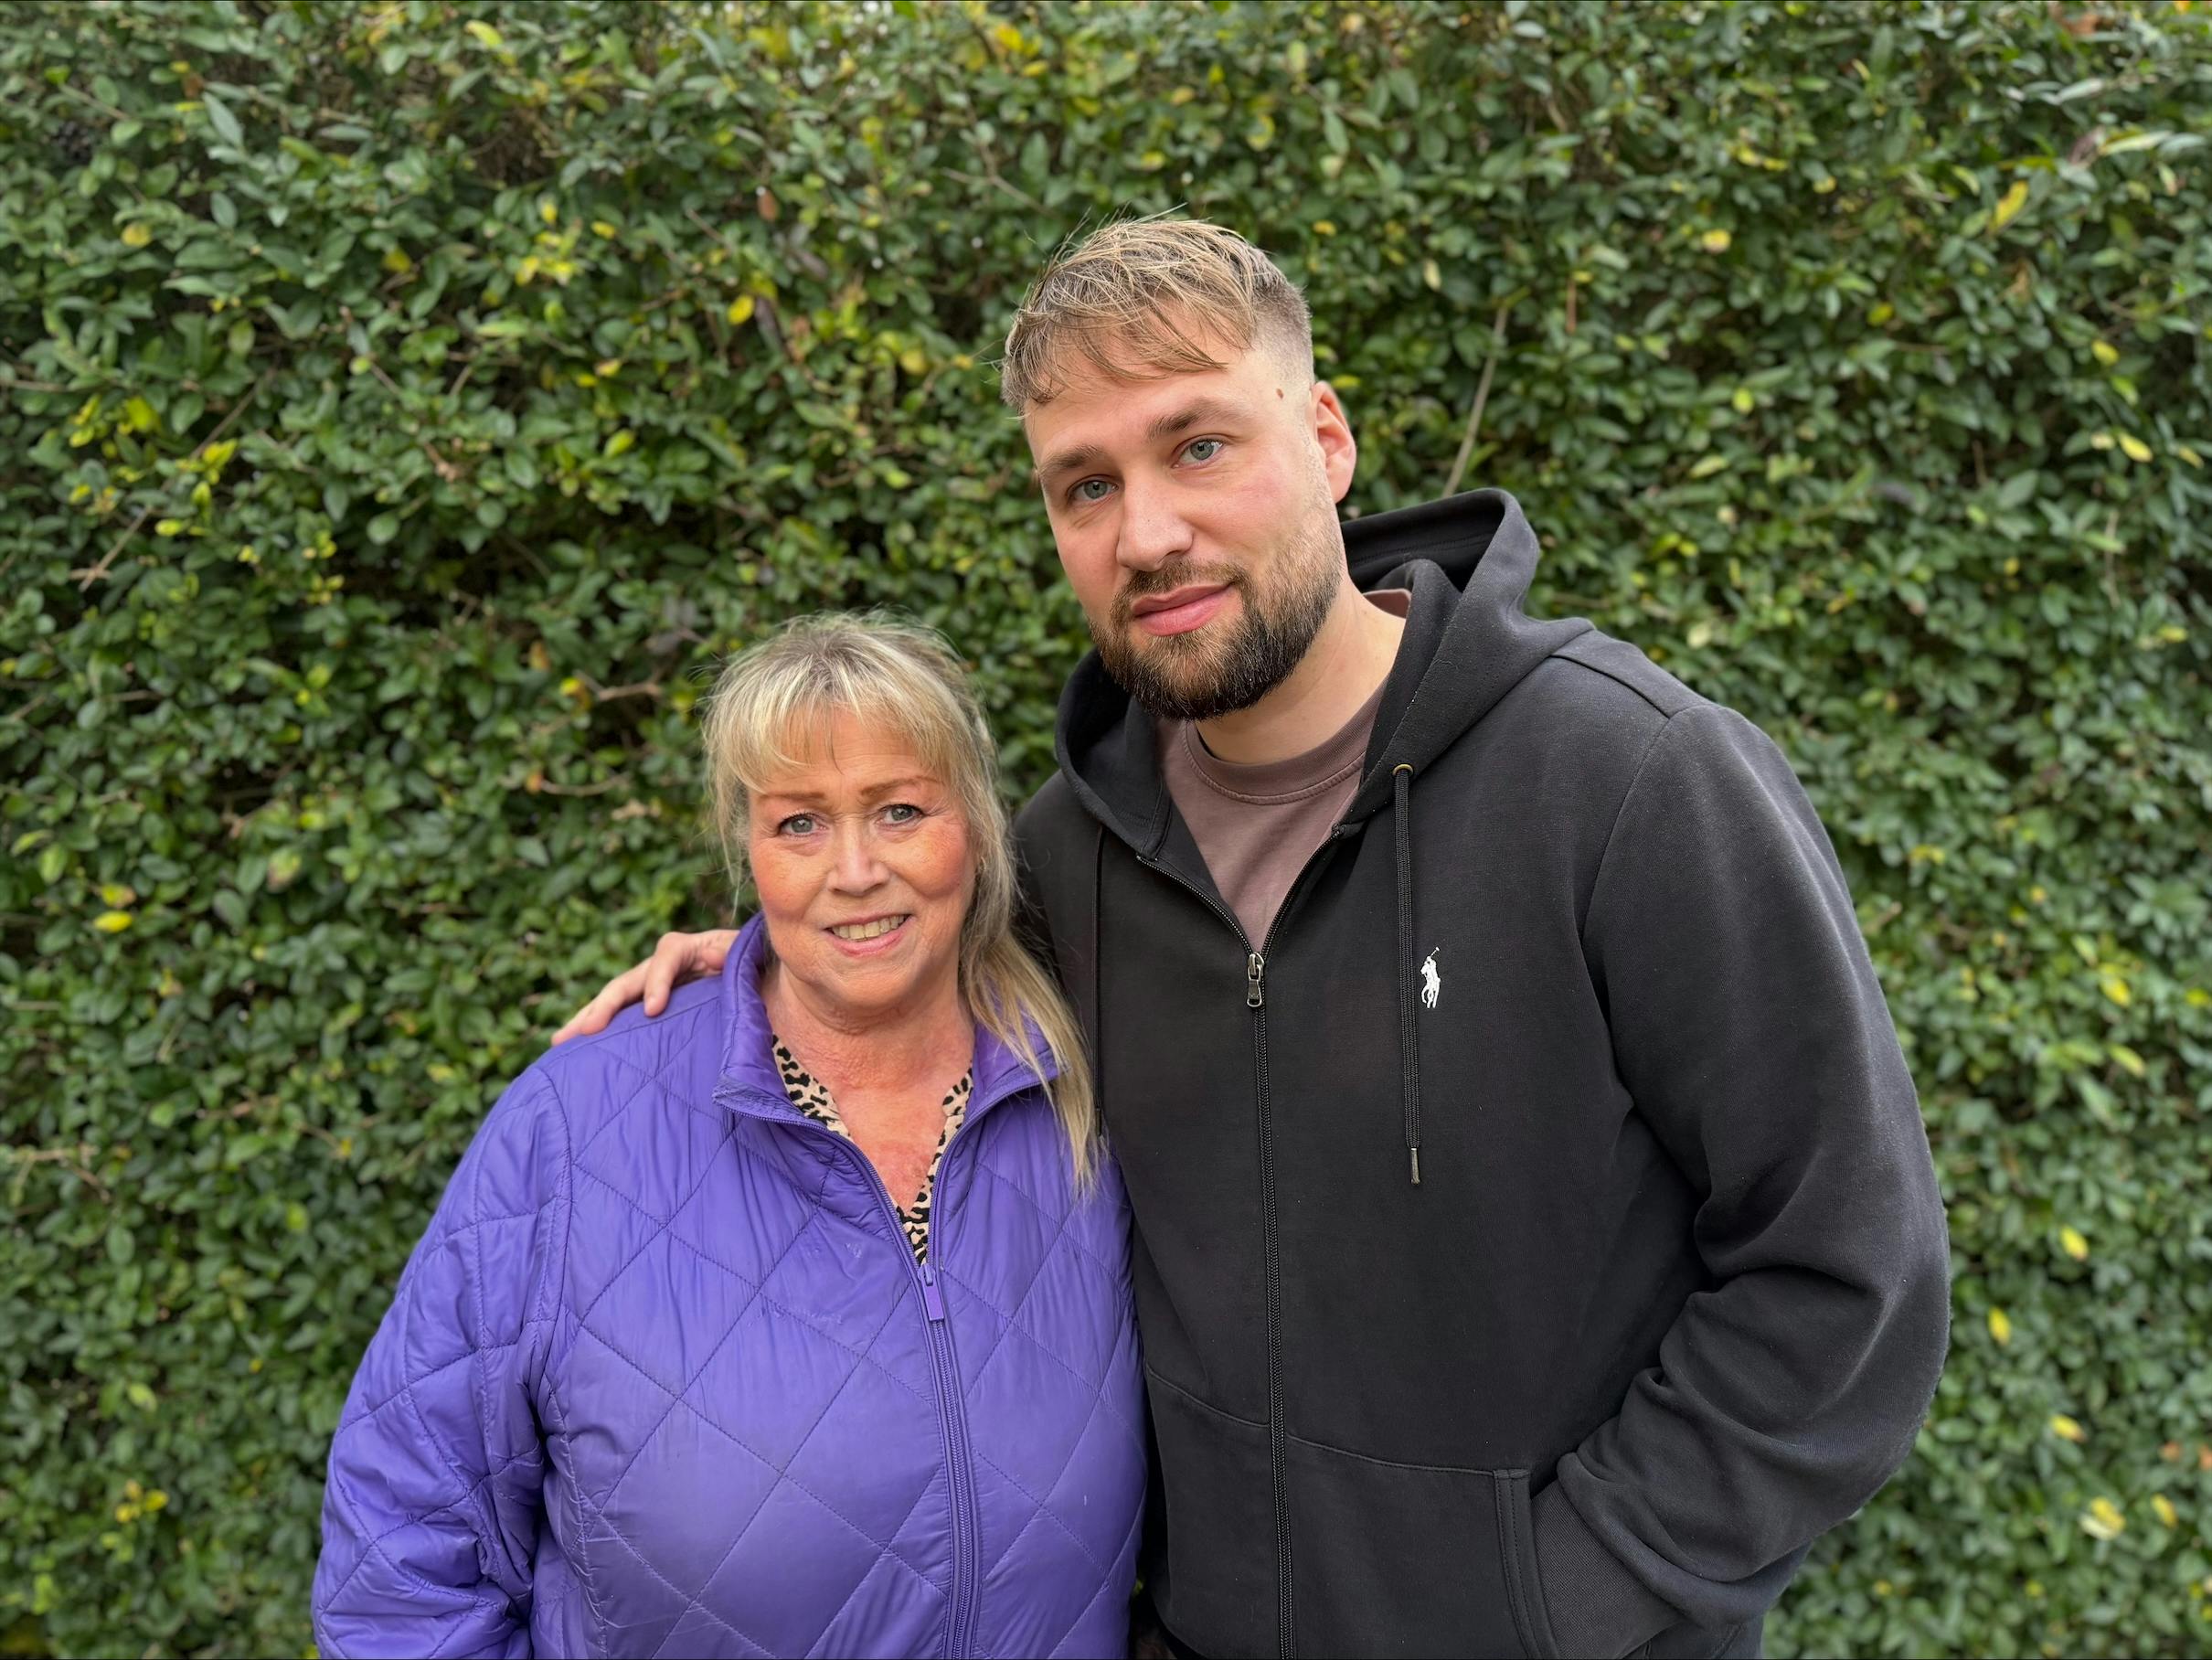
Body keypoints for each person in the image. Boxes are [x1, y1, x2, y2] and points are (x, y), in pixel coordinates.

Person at [557, 218, 1951, 1660]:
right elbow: (897, 968)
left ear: (1328, 439)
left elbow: (1845, 1271)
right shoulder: (1065, 855)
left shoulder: (1629, 783)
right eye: (1083, 485)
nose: (1146, 532)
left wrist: (1557, 1601)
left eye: (1199, 446)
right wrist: (766, 959)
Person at [314, 616, 1144, 1658]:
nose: (853, 868)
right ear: (745, 848)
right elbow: (400, 1558)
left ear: (973, 827)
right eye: (798, 823)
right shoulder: (573, 1129)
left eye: (899, 809)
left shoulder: (1088, 1089)